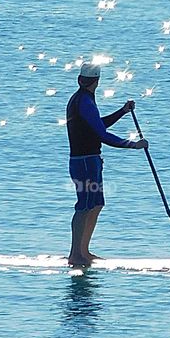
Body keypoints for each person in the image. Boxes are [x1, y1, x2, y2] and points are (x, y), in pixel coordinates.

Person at [66, 62, 148, 267]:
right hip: (83, 163)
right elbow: (102, 134)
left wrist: (122, 111)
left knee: (96, 204)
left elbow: (97, 125)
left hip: (91, 161)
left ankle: (84, 251)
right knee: (84, 207)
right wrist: (133, 145)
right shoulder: (83, 102)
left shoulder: (85, 100)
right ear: (97, 82)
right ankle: (75, 255)